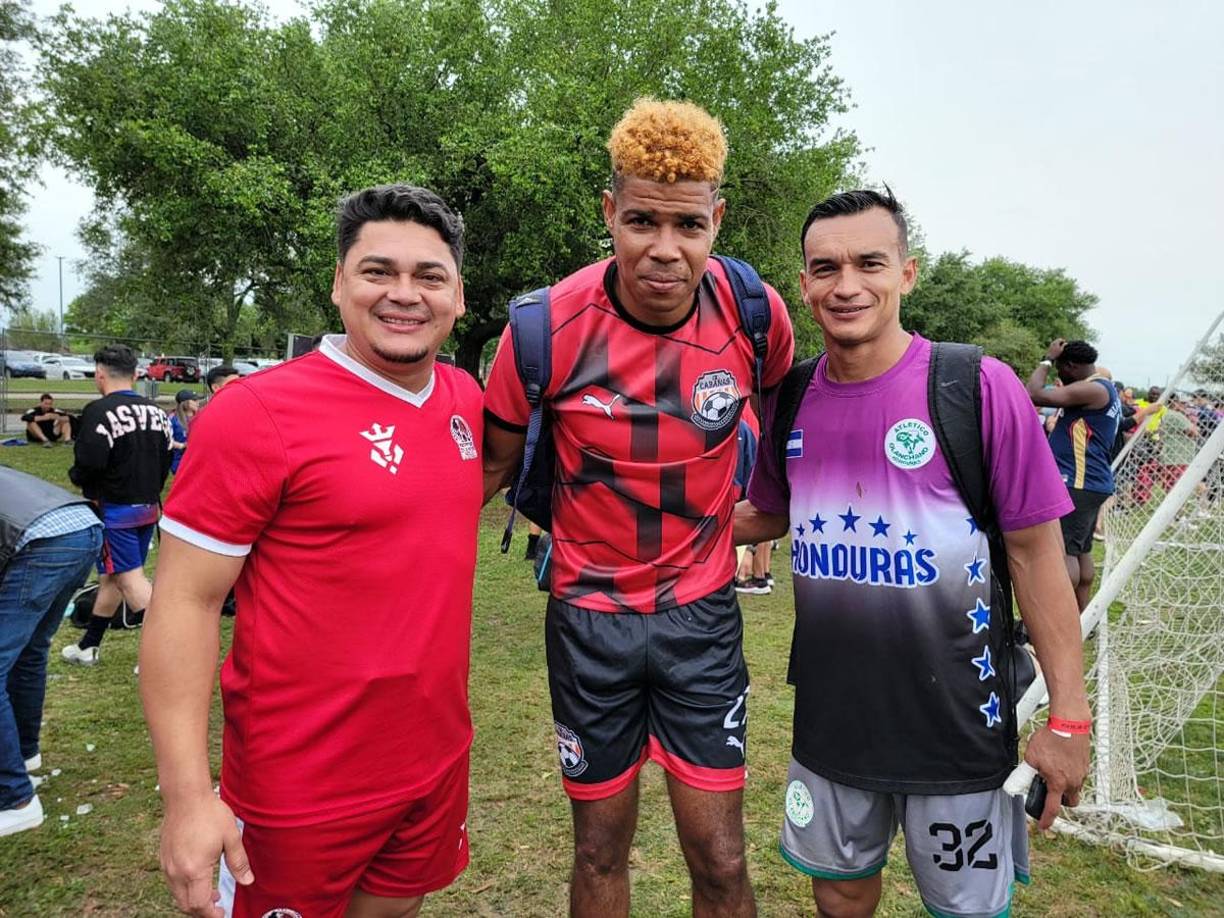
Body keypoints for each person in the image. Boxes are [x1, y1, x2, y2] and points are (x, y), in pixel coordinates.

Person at [735, 189, 1091, 918]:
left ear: (907, 273)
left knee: (965, 909)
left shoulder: (974, 387)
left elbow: (1036, 559)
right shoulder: (794, 395)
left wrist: (1069, 719)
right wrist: (640, 518)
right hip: (834, 720)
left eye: (870, 262)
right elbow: (766, 513)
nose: (846, 285)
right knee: (837, 894)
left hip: (958, 723)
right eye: (825, 267)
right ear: (803, 284)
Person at [482, 98, 794, 918]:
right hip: (589, 623)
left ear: (717, 221)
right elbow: (485, 472)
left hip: (703, 621)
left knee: (723, 861)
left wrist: (770, 510)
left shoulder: (756, 315)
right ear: (609, 212)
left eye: (688, 225)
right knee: (597, 854)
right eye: (641, 220)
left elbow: (795, 422)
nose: (664, 249)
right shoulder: (543, 329)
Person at [142, 184, 481, 918]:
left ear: (458, 296)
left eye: (429, 277)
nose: (404, 295)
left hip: (433, 763)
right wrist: (188, 799)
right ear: (337, 285)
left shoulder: (465, 401)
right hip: (299, 783)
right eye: (376, 271)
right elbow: (185, 601)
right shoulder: (256, 413)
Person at [0, 467, 102, 836]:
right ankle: (25, 754)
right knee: (28, 653)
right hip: (81, 527)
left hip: (44, 541)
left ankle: (14, 798)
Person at [61, 345, 173, 665]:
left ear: (99, 375)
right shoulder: (157, 412)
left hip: (114, 509)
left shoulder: (98, 411)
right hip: (148, 507)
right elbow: (165, 457)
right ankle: (88, 645)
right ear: (136, 374)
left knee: (128, 579)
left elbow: (89, 462)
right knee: (113, 576)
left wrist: (78, 477)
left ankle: (166, 652)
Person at [1027, 339, 1121, 611]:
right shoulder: (1105, 388)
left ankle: (1062, 617)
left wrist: (1046, 358)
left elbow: (1034, 393)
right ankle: (1081, 616)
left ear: (1071, 366)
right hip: (1092, 482)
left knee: (1065, 552)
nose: (1059, 375)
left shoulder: (1092, 390)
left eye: (1060, 368)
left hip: (1078, 482)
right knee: (1080, 551)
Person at [168, 389, 199, 475]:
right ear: (185, 403)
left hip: (196, 458)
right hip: (179, 460)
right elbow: (166, 439)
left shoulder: (200, 417)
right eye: (194, 400)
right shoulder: (173, 420)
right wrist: (181, 445)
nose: (197, 402)